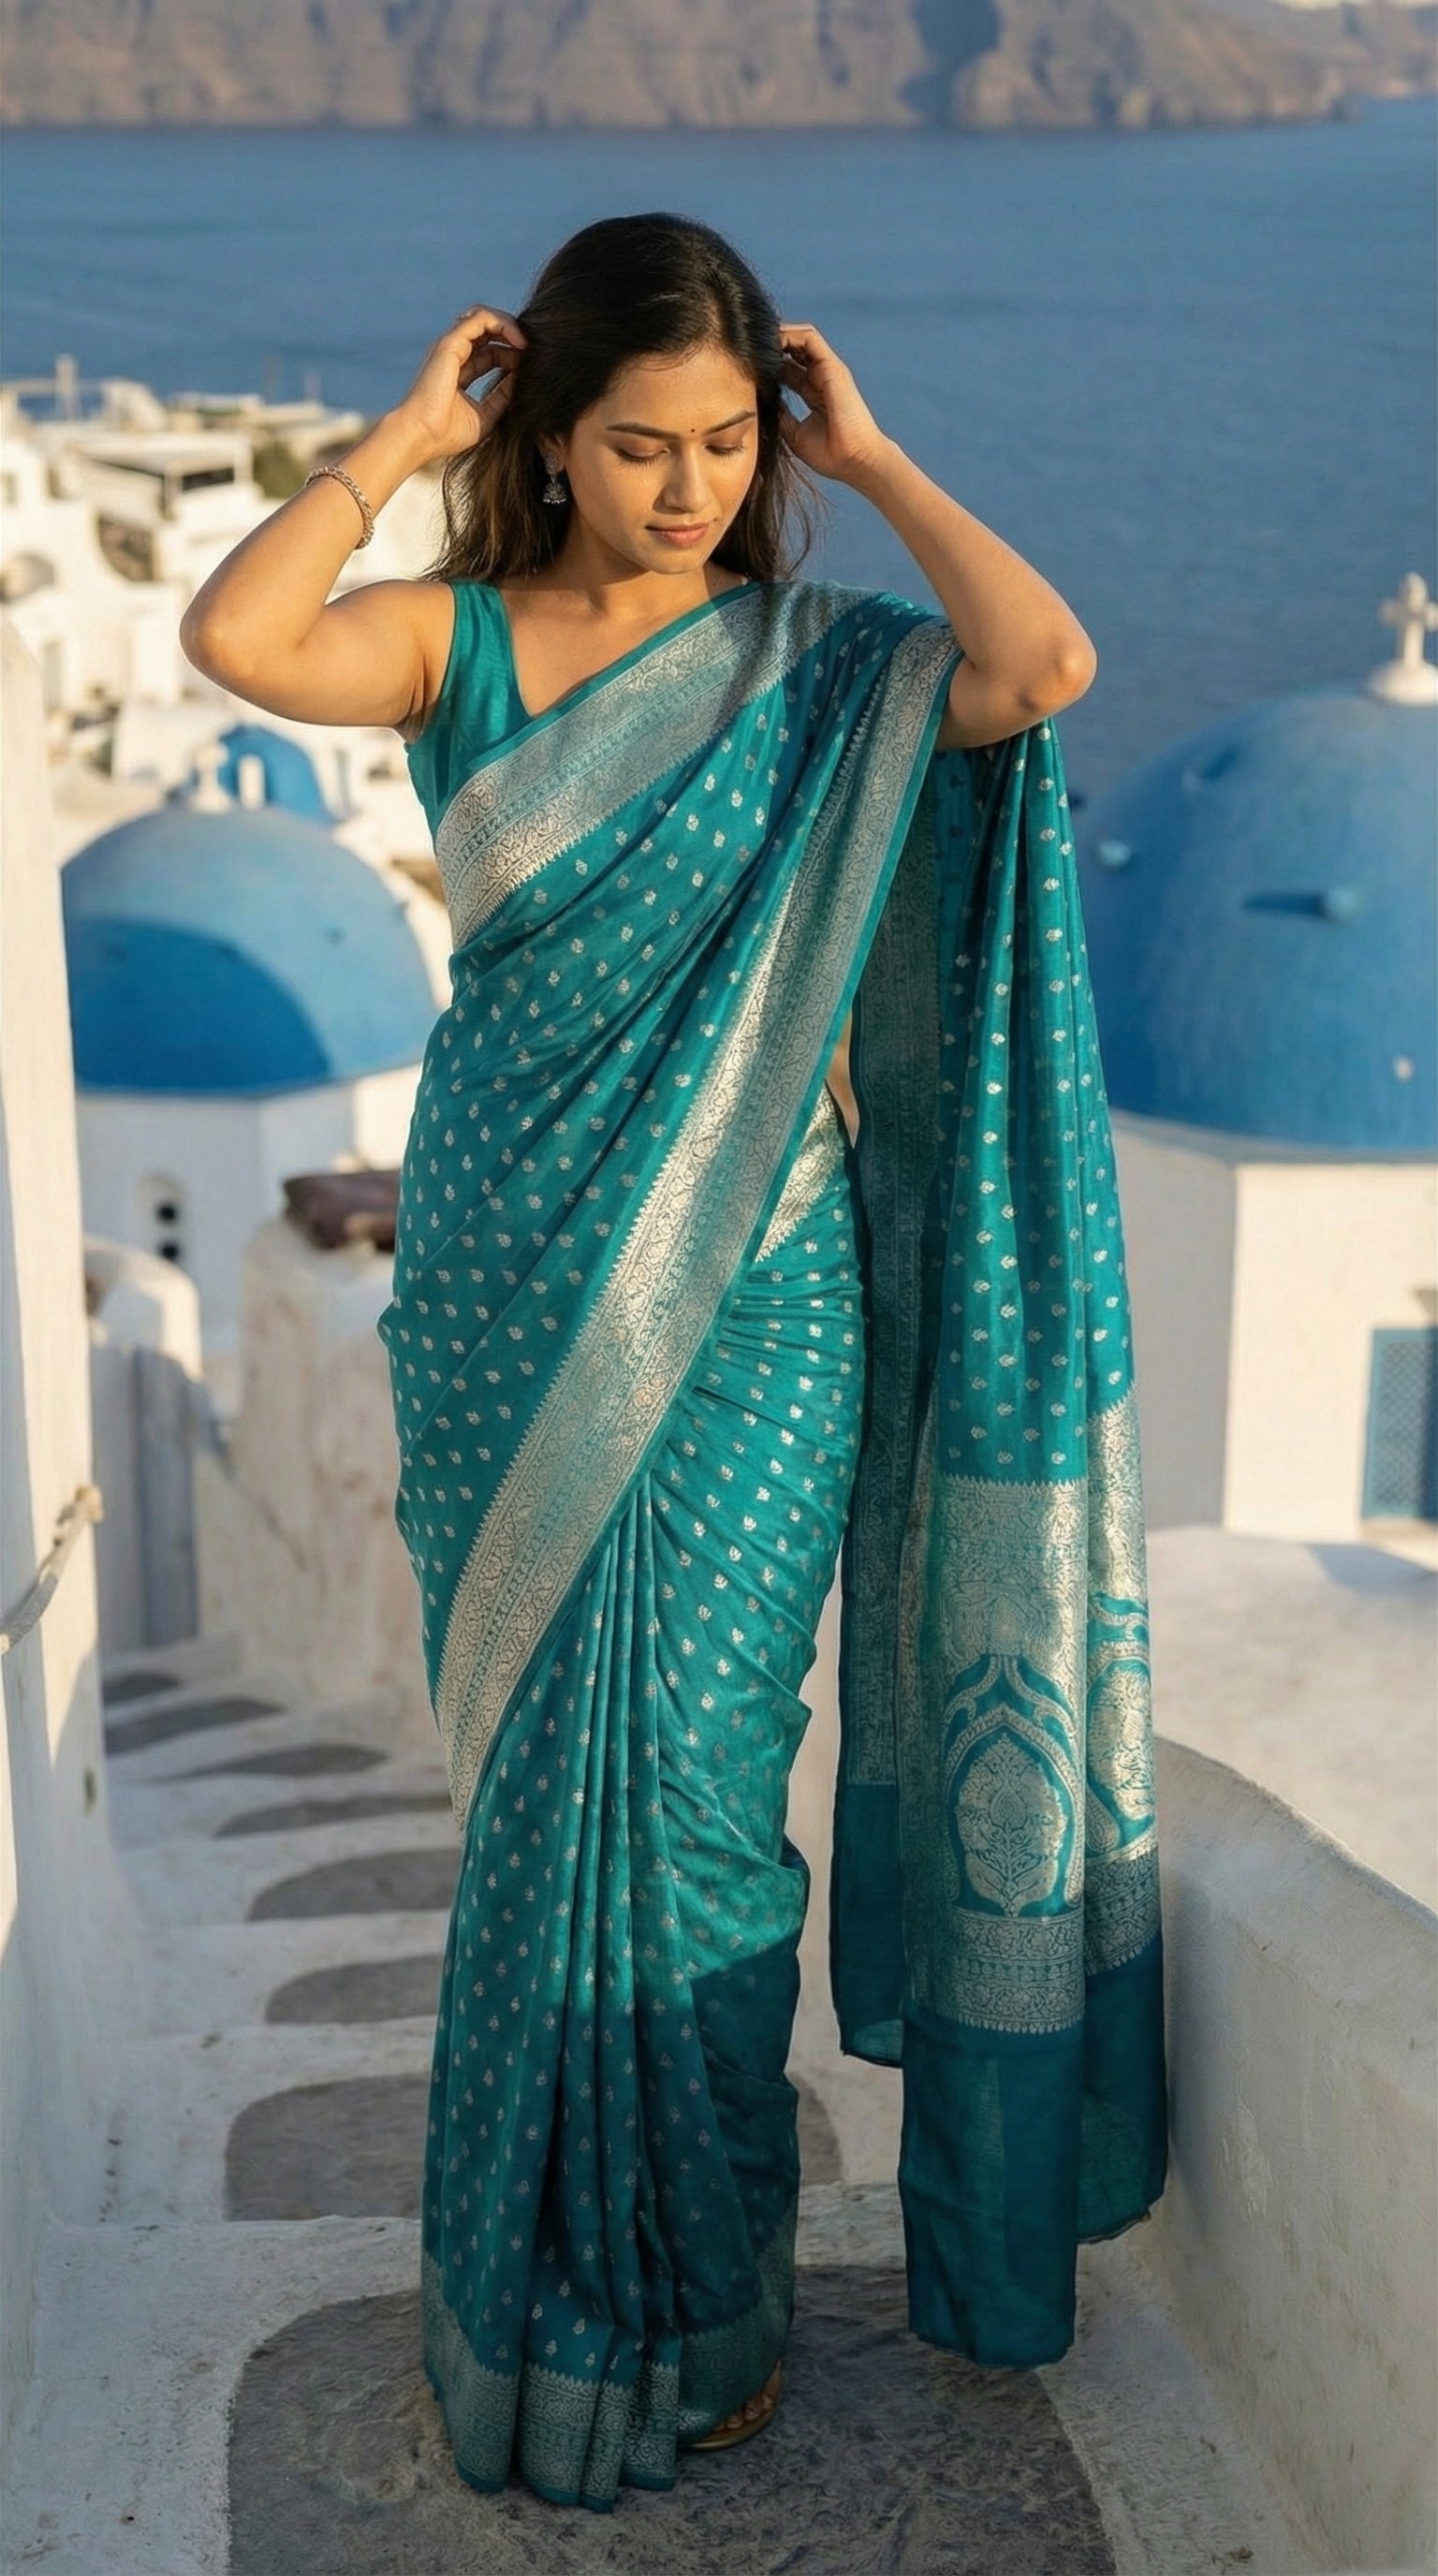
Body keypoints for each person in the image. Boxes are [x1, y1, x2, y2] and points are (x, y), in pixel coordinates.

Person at [181, 211, 1167, 2516]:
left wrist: (889, 461)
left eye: (730, 444)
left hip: (757, 1308)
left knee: (711, 1817)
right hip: (512, 1297)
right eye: (642, 444)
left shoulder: (824, 673)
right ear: (550, 429)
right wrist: (405, 441)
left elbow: (1042, 656)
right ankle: (535, 2302)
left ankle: (702, 2303)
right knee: (545, 1807)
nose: (691, 487)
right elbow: (238, 637)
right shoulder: (467, 649)